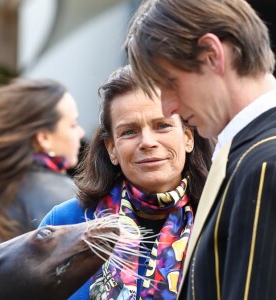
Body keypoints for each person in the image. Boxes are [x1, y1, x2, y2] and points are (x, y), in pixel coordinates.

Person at [125, 0, 276, 299]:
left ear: (211, 55)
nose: (169, 106)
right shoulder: (263, 153)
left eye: (170, 83)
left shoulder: (271, 163)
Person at [39, 64, 214, 300]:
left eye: (162, 126)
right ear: (112, 149)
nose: (147, 142)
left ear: (187, 138)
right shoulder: (65, 225)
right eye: (129, 132)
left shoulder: (220, 221)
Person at [0, 78, 85, 243]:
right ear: (44, 137)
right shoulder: (65, 199)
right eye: (73, 124)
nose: (81, 132)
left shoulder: (5, 184)